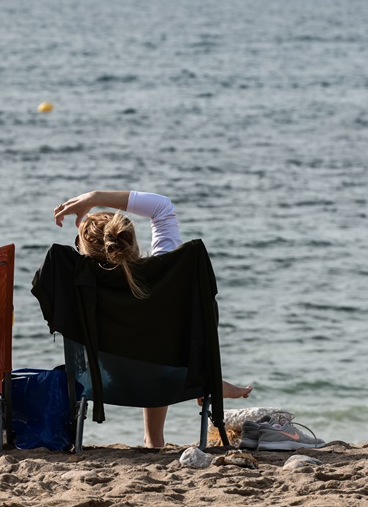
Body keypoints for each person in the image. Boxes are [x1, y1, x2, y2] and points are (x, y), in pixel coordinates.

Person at [52, 190, 252, 448]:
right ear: (130, 240)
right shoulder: (164, 273)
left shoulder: (80, 289)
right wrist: (94, 197)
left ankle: (154, 436)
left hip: (108, 382)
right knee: (155, 338)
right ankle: (206, 382)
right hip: (167, 378)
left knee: (141, 345)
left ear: (84, 250)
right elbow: (162, 207)